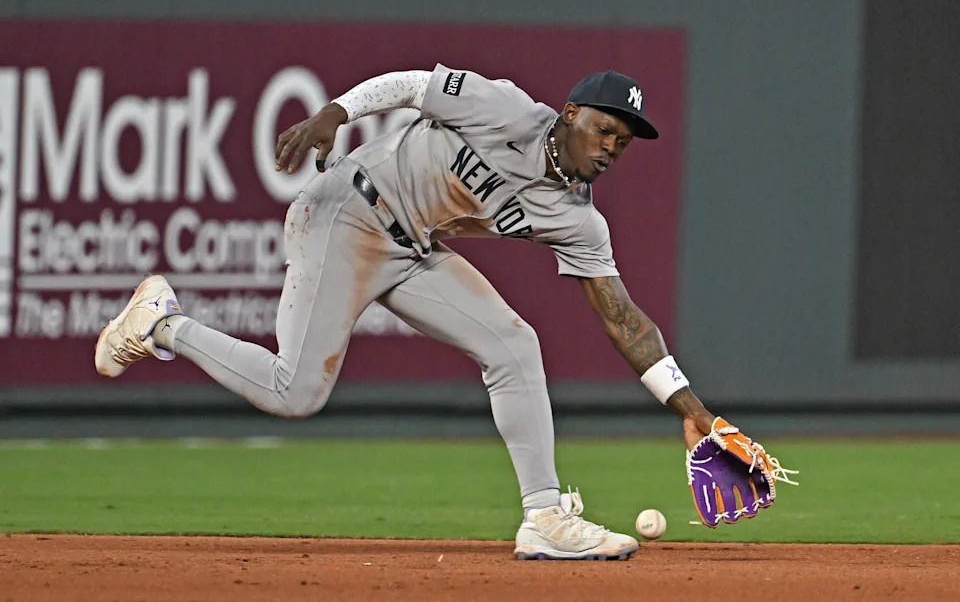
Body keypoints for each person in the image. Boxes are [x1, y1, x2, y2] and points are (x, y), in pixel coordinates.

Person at [95, 65, 720, 561]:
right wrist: (334, 113)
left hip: (412, 247)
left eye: (624, 140)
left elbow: (624, 319)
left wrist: (694, 414)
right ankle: (161, 323)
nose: (612, 146)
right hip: (345, 212)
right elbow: (410, 87)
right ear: (571, 114)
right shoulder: (503, 108)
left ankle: (545, 518)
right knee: (295, 392)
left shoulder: (578, 219)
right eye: (605, 128)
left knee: (514, 345)